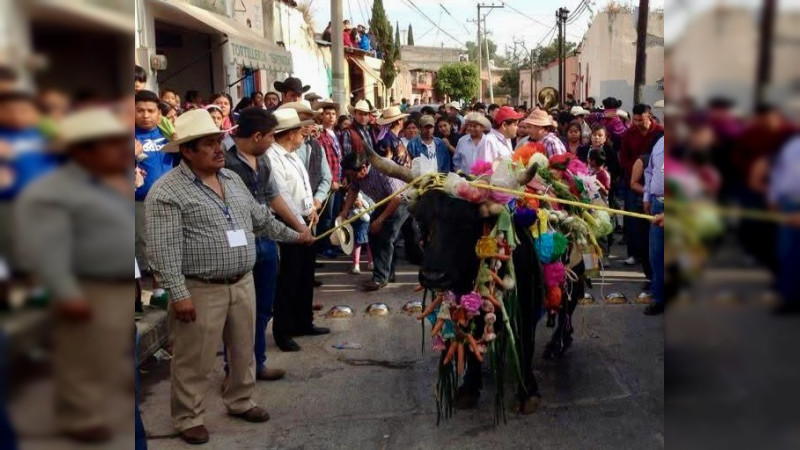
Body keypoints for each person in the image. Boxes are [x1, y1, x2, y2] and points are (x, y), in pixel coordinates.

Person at [146, 109, 311, 444]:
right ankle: (188, 417)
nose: (219, 149)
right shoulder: (167, 191)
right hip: (200, 288)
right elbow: (163, 250)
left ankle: (240, 400)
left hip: (242, 280)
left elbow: (261, 220)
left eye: (218, 141)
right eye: (208, 144)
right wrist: (179, 294)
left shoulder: (232, 179)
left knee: (243, 349)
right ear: (187, 151)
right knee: (196, 359)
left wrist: (297, 236)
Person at [15, 108, 134, 443]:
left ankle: (100, 410)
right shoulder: (52, 191)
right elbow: (45, 250)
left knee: (106, 356)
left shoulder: (106, 182)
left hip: (115, 285)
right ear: (83, 150)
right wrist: (66, 293)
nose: (119, 151)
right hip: (87, 285)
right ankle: (81, 418)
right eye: (110, 145)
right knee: (80, 358)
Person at [225, 107, 309, 382]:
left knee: (263, 308)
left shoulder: (263, 162)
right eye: (272, 136)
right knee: (238, 314)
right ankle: (235, 370)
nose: (274, 141)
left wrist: (299, 227)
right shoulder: (225, 164)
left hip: (267, 243)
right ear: (258, 136)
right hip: (238, 245)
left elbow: (274, 198)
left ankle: (257, 363)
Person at [266, 109, 330, 352]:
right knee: (288, 279)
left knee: (305, 276)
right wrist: (300, 226)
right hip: (288, 223)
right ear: (290, 133)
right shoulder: (273, 158)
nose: (304, 133)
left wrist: (311, 210)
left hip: (304, 219)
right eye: (299, 130)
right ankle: (283, 330)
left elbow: (302, 188)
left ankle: (304, 322)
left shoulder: (292, 155)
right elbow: (280, 197)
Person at [339, 152, 408, 291]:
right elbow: (353, 189)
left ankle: (380, 278)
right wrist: (344, 211)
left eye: (353, 175)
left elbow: (397, 197)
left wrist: (380, 220)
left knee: (385, 237)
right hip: (382, 202)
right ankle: (387, 273)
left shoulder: (382, 171)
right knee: (373, 235)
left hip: (401, 202)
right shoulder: (356, 175)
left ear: (364, 168)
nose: (351, 178)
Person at [134, 91, 175, 306]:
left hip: (169, 199)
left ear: (160, 113)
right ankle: (154, 292)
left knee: (168, 244)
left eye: (151, 111)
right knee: (147, 246)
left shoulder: (167, 132)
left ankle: (163, 289)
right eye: (140, 110)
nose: (145, 115)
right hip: (140, 201)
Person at [619, 104, 663, 266]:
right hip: (633, 182)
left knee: (651, 222)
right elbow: (623, 159)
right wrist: (637, 168)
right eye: (634, 119)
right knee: (632, 218)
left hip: (656, 183)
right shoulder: (628, 134)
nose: (637, 123)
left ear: (649, 116)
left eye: (640, 119)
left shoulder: (660, 132)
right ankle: (633, 254)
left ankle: (650, 257)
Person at [768, 135, 800, 314]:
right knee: (787, 253)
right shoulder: (792, 145)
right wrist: (773, 197)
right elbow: (779, 172)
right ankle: (790, 298)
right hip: (789, 204)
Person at [317, 100, 345, 258]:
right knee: (326, 216)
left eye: (333, 114)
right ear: (321, 116)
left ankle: (331, 243)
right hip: (329, 181)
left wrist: (343, 177)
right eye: (327, 114)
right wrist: (333, 179)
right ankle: (323, 246)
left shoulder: (335, 134)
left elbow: (338, 158)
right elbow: (325, 162)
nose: (331, 117)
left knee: (335, 214)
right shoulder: (321, 135)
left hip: (339, 179)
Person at [643, 135, 665, 316]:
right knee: (656, 255)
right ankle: (660, 298)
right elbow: (650, 171)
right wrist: (647, 196)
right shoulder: (660, 142)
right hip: (658, 203)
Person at [630, 148, 653, 289]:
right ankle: (650, 277)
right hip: (644, 207)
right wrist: (650, 193)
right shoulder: (643, 159)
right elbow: (633, 183)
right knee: (646, 244)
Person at [348, 191, 374, 274]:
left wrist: (362, 204)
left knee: (368, 243)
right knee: (357, 243)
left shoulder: (370, 190)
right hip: (355, 221)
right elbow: (347, 201)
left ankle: (370, 263)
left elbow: (372, 206)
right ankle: (356, 264)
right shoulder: (353, 189)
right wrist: (354, 204)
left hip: (366, 221)